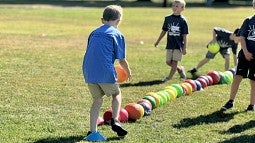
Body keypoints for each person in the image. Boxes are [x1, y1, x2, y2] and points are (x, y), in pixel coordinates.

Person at [82, 5, 131, 138]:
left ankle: (92, 132)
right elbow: (121, 60)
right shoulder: (117, 34)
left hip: (88, 71)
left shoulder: (94, 32)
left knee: (97, 100)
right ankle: (115, 120)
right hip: (104, 71)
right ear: (118, 21)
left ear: (102, 20)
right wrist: (128, 71)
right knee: (117, 93)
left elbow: (92, 51)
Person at [221, 1, 255, 111]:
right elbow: (242, 37)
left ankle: (252, 105)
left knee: (253, 81)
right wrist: (245, 52)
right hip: (244, 56)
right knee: (237, 77)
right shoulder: (249, 21)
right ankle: (230, 101)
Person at [154, 0, 189, 82]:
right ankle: (180, 69)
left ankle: (169, 78)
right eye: (173, 5)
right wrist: (158, 41)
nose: (174, 7)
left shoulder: (183, 21)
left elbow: (185, 35)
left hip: (178, 45)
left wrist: (184, 48)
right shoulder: (167, 18)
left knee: (174, 62)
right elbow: (164, 31)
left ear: (182, 8)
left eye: (177, 6)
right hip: (170, 44)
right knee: (168, 61)